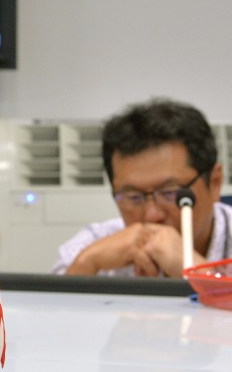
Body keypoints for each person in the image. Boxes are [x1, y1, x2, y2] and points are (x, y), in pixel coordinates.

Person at [53, 98, 232, 278]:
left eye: (170, 193)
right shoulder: (95, 242)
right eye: (133, 197)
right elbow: (51, 305)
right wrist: (87, 264)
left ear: (215, 182)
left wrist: (195, 270)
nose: (152, 215)